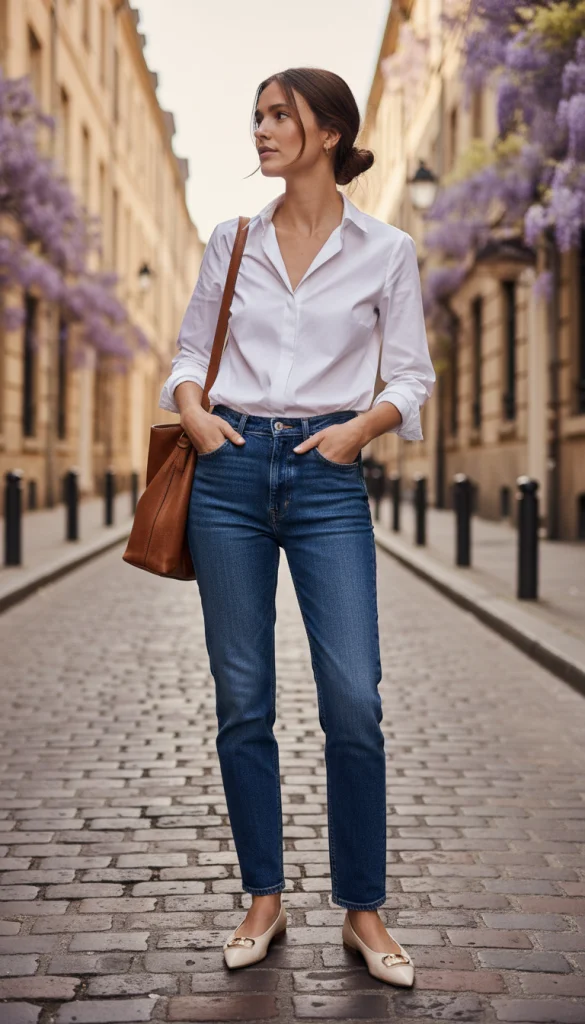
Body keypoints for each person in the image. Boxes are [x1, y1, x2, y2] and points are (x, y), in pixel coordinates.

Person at [159, 67, 435, 986]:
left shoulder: (386, 250)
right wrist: (195, 415)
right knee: (243, 700)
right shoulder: (231, 238)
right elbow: (189, 355)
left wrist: (358, 431)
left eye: (281, 115)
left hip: (326, 476)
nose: (263, 129)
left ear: (328, 133)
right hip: (229, 472)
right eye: (258, 116)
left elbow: (410, 375)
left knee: (353, 699)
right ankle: (263, 899)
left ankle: (363, 910)